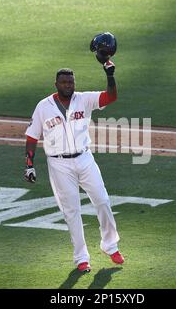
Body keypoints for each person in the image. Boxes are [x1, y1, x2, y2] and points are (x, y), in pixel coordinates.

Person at [23, 60, 124, 272]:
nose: (68, 85)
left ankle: (110, 245)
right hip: (59, 164)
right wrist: (29, 165)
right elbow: (32, 136)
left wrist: (110, 75)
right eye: (64, 82)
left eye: (71, 82)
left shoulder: (84, 100)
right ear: (56, 84)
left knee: (102, 200)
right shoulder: (43, 107)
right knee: (72, 211)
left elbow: (111, 97)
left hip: (85, 159)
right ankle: (81, 258)